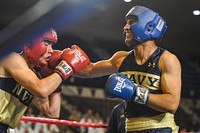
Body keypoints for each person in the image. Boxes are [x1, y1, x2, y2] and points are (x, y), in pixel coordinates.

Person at [76, 5, 181, 133]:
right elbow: (89, 70)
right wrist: (58, 64)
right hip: (130, 128)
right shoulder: (121, 59)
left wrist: (135, 93)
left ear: (148, 27)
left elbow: (172, 104)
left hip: (160, 128)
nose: (125, 27)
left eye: (131, 23)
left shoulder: (167, 60)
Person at [0, 28, 90, 132]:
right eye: (46, 43)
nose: (51, 50)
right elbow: (42, 90)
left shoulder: (33, 76)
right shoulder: (12, 58)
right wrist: (65, 68)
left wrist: (55, 75)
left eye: (52, 45)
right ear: (30, 44)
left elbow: (52, 112)